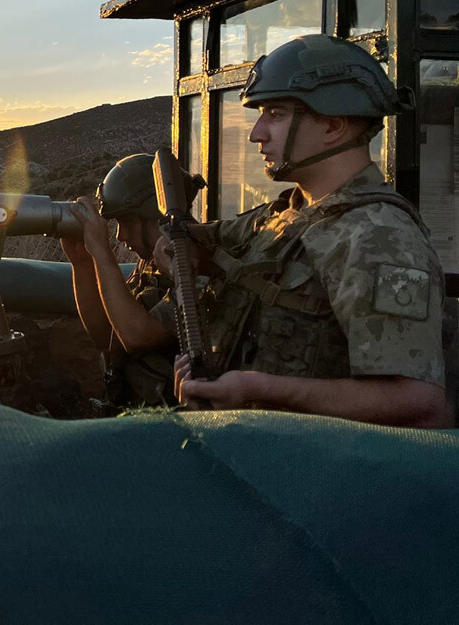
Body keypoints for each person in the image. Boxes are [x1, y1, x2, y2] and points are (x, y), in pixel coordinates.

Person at [162, 34, 451, 427]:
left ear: (333, 126)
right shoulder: (288, 213)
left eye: (276, 115)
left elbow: (419, 403)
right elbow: (199, 244)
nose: (256, 133)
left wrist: (260, 391)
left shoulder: (378, 236)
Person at [60, 154, 201, 408]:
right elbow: (106, 336)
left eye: (125, 222)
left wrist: (102, 253)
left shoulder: (197, 262)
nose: (120, 235)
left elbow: (137, 336)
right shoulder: (152, 262)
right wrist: (82, 263)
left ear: (153, 214)